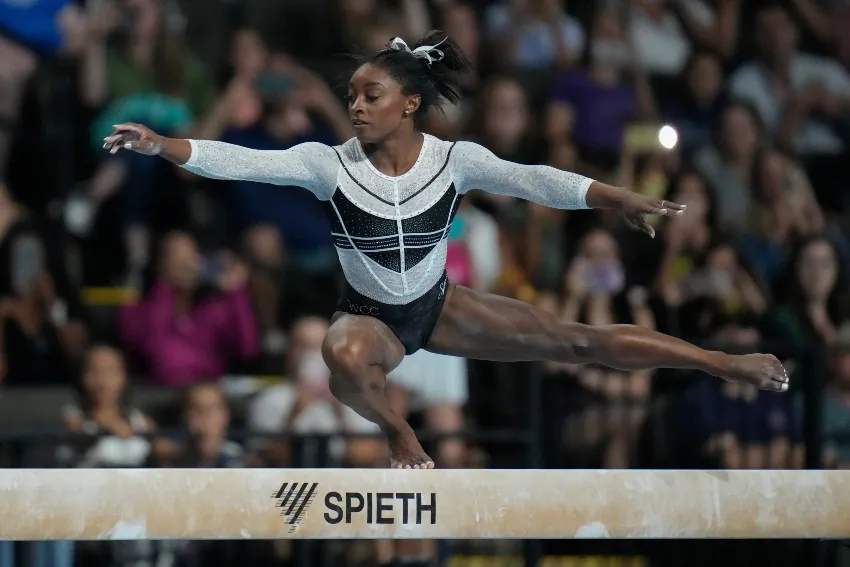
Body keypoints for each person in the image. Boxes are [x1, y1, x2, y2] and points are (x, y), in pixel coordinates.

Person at [102, 30, 789, 472]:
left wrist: (618, 197)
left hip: (439, 306)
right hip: (370, 316)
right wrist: (163, 145)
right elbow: (241, 161)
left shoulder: (454, 160)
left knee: (577, 340)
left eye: (370, 95)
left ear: (409, 103)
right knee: (341, 357)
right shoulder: (327, 164)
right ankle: (400, 433)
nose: (356, 107)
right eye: (351, 97)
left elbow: (536, 180)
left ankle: (719, 361)